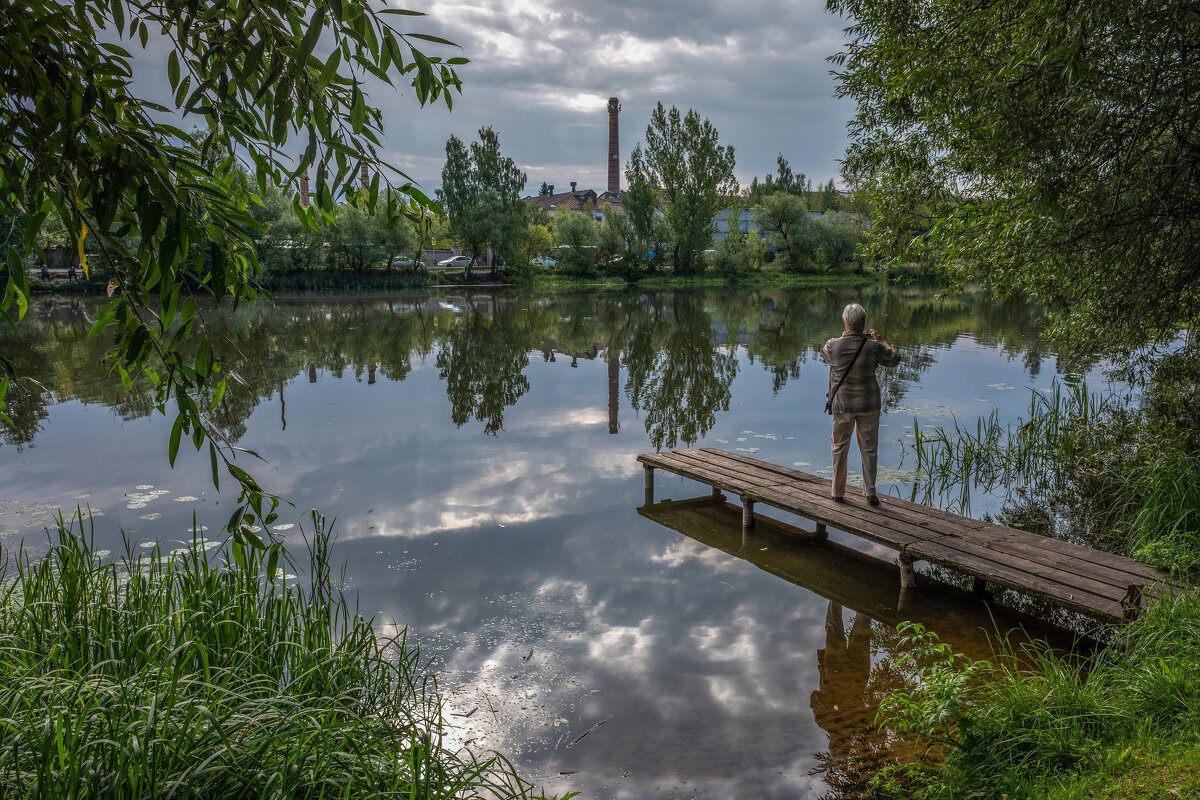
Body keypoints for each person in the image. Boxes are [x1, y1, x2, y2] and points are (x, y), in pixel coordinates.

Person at [820, 303, 900, 506]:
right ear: (863, 323)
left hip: (842, 405)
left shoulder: (832, 345)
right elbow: (894, 359)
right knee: (869, 448)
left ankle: (837, 492)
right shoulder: (873, 347)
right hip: (869, 404)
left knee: (839, 447)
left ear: (844, 322)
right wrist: (881, 341)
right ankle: (870, 492)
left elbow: (825, 354)